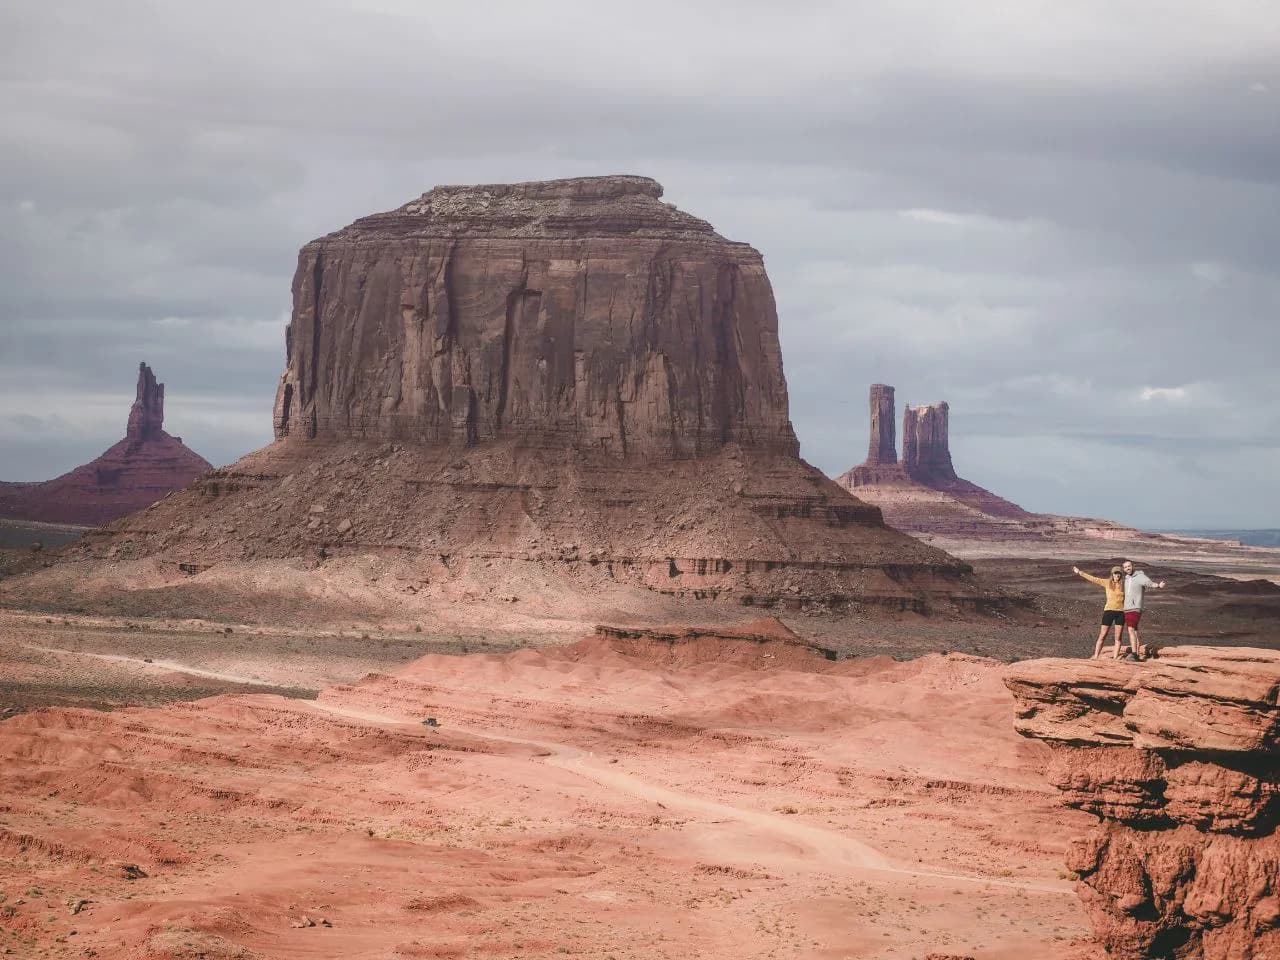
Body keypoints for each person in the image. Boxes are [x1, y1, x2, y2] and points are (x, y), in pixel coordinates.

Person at [1072, 565, 1128, 658]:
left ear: (1121, 575)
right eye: (1115, 573)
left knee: (1118, 638)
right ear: (1112, 574)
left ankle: (1115, 659)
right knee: (1102, 635)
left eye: (1119, 573)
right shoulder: (1107, 582)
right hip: (1108, 611)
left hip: (1121, 612)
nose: (1117, 575)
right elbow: (1094, 579)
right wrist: (1079, 572)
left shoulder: (1124, 585)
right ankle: (1096, 657)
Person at [1121, 559, 1166, 660]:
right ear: (1123, 569)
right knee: (1135, 631)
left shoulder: (1140, 576)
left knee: (1131, 630)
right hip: (1127, 608)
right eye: (1125, 567)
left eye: (1129, 566)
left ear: (1132, 566)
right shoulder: (1127, 578)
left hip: (1135, 607)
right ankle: (1136, 653)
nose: (1127, 568)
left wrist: (1158, 585)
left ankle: (1134, 654)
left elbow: (1148, 583)